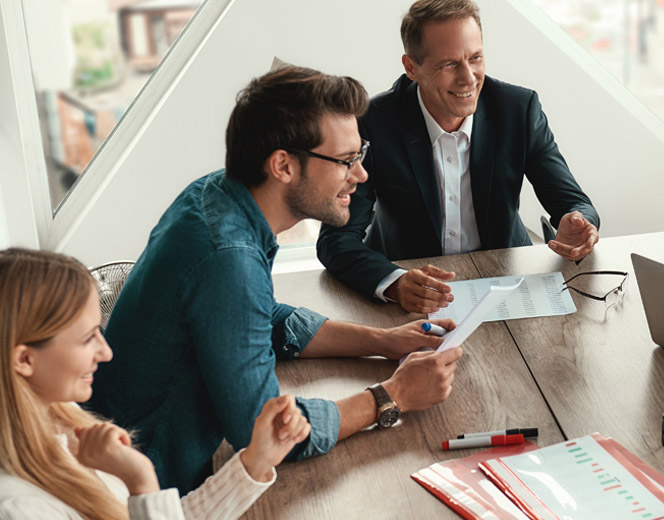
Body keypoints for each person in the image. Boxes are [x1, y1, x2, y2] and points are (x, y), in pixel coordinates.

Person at [88, 66, 463, 495]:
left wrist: (382, 341)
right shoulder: (228, 259)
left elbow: (259, 318)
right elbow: (269, 432)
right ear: (283, 164)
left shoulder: (213, 195)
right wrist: (392, 397)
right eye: (346, 161)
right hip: (145, 489)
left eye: (360, 156)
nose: (360, 176)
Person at [316, 0, 601, 314]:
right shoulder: (373, 122)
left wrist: (578, 223)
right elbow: (336, 240)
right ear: (411, 68)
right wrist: (395, 282)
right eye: (449, 64)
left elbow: (573, 202)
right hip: (411, 289)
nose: (469, 78)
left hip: (507, 281)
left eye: (475, 58)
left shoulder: (518, 110)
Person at [0, 248, 311, 520]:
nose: (106, 352)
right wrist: (141, 481)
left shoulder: (58, 417)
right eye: (87, 338)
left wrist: (256, 461)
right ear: (24, 360)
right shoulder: (19, 509)